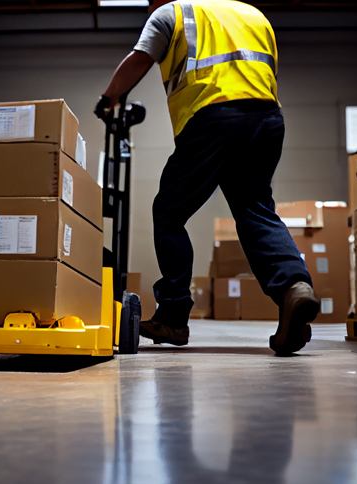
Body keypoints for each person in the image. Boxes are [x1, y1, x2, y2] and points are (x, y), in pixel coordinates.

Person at [95, 0, 319, 354]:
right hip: (267, 119)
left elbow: (139, 58)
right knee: (255, 208)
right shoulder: (253, 14)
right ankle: (294, 287)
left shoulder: (173, 13)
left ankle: (173, 317)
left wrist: (109, 97)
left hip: (212, 119)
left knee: (169, 213)